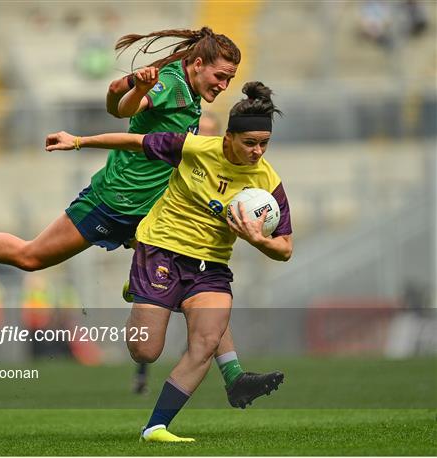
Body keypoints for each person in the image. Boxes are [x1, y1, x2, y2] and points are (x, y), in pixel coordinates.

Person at [0, 27, 265, 409]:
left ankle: (234, 375)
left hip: (152, 211)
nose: (225, 85)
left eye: (229, 78)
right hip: (112, 201)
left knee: (200, 278)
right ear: (197, 64)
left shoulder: (191, 93)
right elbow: (119, 105)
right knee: (32, 257)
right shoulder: (170, 85)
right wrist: (139, 88)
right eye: (221, 76)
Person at [43, 81, 292, 442]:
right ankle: (145, 289)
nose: (257, 152)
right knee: (145, 348)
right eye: (250, 143)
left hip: (211, 267)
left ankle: (156, 426)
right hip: (161, 249)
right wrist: (79, 141)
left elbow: (285, 248)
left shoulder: (268, 182)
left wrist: (258, 240)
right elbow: (136, 142)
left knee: (206, 343)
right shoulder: (195, 148)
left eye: (264, 144)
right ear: (229, 137)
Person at [132, 110, 222, 395]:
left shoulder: (220, 169)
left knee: (204, 322)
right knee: (150, 333)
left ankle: (220, 371)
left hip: (202, 257)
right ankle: (143, 371)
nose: (203, 136)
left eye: (210, 132)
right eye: (199, 131)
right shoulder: (179, 159)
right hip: (163, 246)